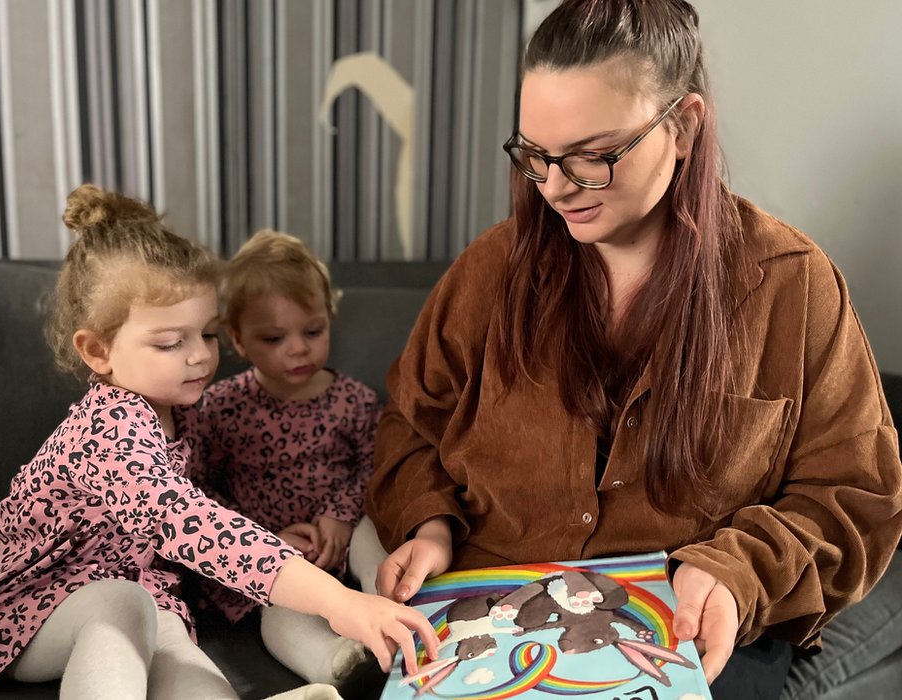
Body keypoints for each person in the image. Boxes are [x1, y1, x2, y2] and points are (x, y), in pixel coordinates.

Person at [365, 2, 902, 699]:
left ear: (684, 126)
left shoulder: (793, 286)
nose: (555, 187)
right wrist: (428, 520)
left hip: (688, 626)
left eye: (593, 156)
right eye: (536, 154)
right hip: (490, 615)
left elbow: (856, 495)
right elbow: (409, 424)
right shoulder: (488, 272)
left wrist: (739, 571)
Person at [0, 185, 436, 700]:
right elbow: (193, 525)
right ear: (99, 351)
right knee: (119, 607)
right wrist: (337, 601)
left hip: (146, 597)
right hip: (17, 611)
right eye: (171, 342)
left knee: (188, 663)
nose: (199, 357)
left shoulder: (184, 412)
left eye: (208, 335)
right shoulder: (110, 428)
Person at [188, 230, 385, 688]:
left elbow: (376, 467)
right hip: (272, 557)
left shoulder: (353, 400)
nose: (298, 348)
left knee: (375, 533)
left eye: (312, 331)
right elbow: (198, 493)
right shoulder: (221, 408)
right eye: (275, 338)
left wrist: (340, 516)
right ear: (237, 339)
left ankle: (394, 607)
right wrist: (266, 541)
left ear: (329, 319)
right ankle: (339, 664)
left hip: (344, 533)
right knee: (278, 616)